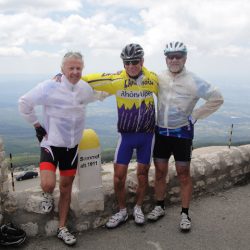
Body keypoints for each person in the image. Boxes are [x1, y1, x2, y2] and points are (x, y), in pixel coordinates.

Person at [18, 52, 104, 245]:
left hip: (71, 147)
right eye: (71, 68)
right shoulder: (50, 86)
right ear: (62, 69)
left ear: (82, 69)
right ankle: (47, 194)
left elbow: (99, 92)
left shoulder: (84, 89)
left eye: (78, 68)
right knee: (48, 184)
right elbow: (24, 103)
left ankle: (62, 228)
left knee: (66, 188)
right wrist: (37, 126)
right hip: (51, 145)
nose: (74, 72)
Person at [147, 41, 224, 231]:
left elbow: (217, 97)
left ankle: (185, 213)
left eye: (178, 56)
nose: (174, 59)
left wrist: (196, 115)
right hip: (161, 132)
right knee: (160, 172)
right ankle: (159, 206)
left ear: (185, 58)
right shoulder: (158, 77)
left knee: (183, 174)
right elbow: (135, 78)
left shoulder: (194, 80)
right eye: (170, 56)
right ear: (166, 59)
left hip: (182, 133)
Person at [83, 43, 158, 228]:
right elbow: (86, 79)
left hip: (147, 136)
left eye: (135, 62)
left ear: (142, 61)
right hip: (126, 136)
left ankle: (138, 207)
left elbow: (171, 92)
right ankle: (123, 211)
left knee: (142, 174)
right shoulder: (116, 79)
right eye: (127, 62)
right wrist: (62, 76)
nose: (131, 65)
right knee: (118, 177)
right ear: (123, 63)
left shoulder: (153, 79)